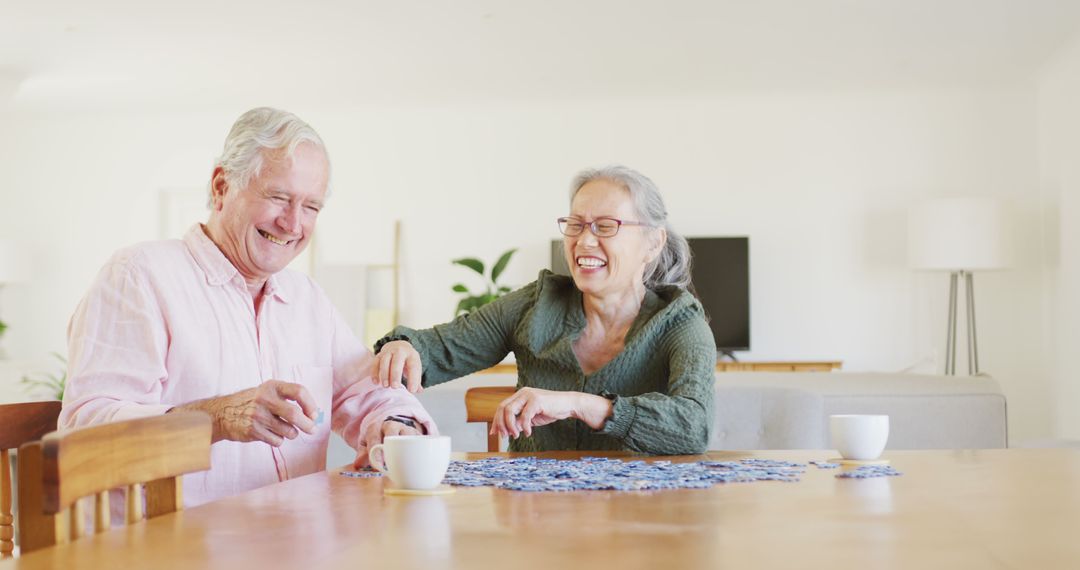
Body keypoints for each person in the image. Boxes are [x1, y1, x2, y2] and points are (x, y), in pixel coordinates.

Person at [60, 107, 436, 508]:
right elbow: (85, 433)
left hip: (289, 535)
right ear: (221, 186)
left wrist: (396, 424)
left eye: (311, 207)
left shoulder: (307, 298)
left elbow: (367, 393)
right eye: (279, 197)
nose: (293, 224)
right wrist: (217, 418)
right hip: (168, 540)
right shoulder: (138, 276)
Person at [373, 165, 715, 454]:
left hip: (642, 507)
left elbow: (692, 427)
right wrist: (403, 347)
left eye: (606, 226)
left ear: (653, 243)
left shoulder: (679, 322)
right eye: (576, 224)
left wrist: (578, 403)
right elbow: (437, 350)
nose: (585, 241)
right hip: (534, 506)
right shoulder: (536, 305)